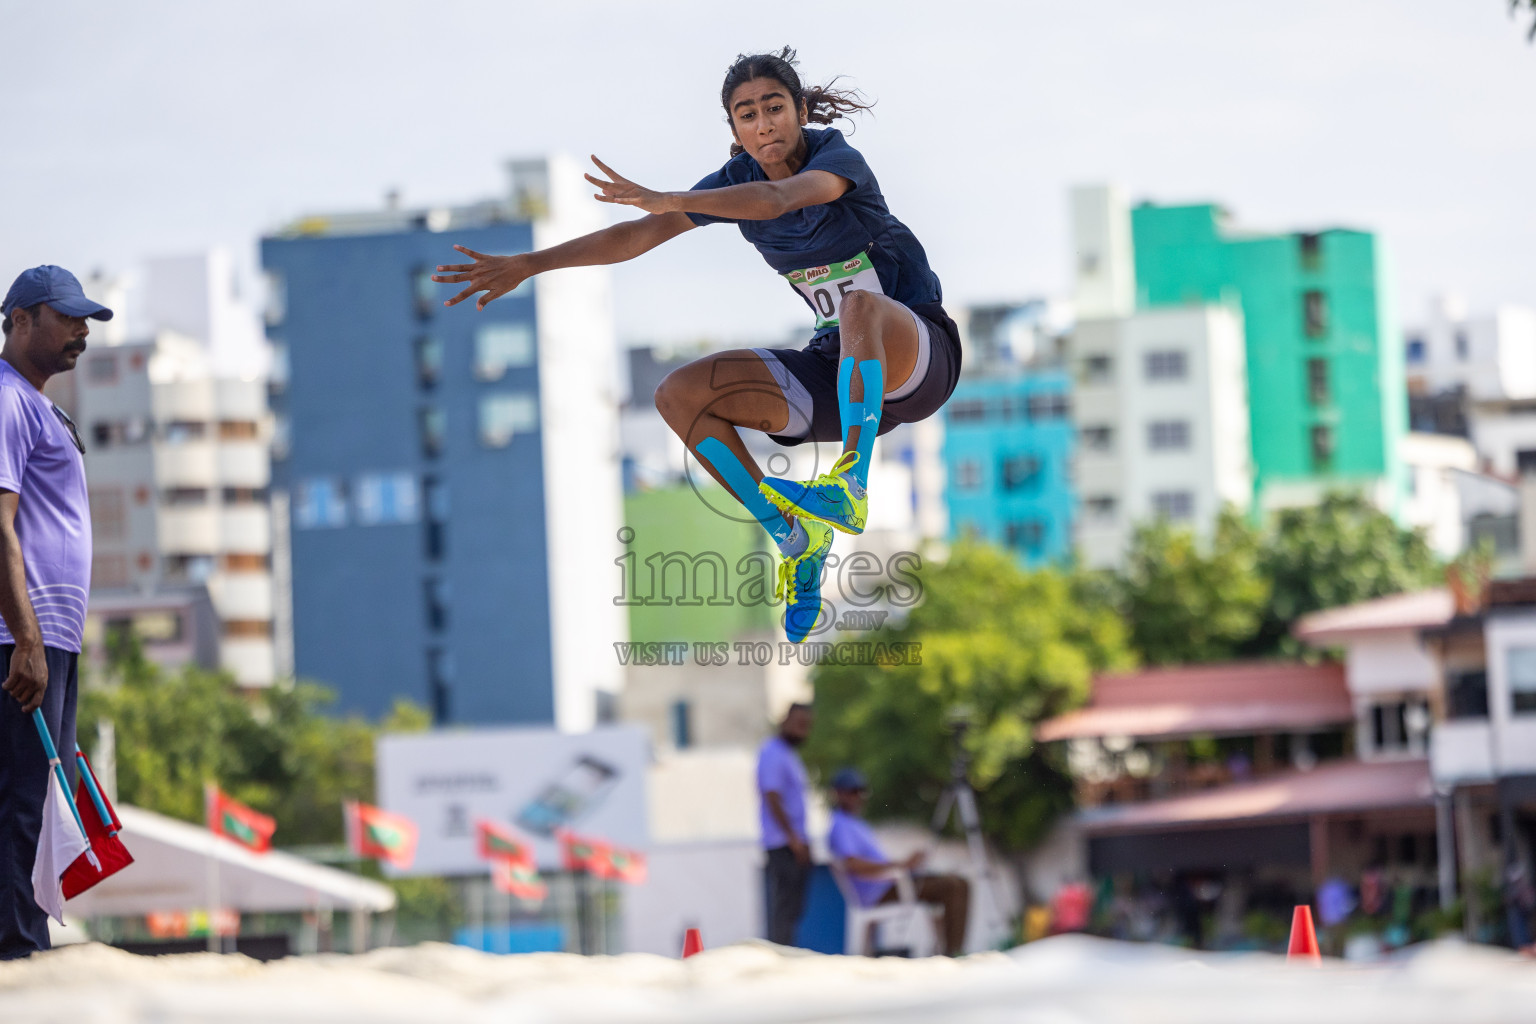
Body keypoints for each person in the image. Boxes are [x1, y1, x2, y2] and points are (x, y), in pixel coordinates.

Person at [432, 47, 962, 644]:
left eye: (775, 108)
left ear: (802, 110)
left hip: (918, 355)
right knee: (679, 395)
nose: (764, 124)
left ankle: (851, 487)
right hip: (840, 370)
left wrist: (673, 198)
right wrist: (530, 262)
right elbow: (634, 235)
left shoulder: (837, 159)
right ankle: (794, 537)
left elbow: (779, 201)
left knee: (859, 305)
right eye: (747, 114)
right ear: (733, 128)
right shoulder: (732, 183)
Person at [0, 266, 112, 959]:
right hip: (20, 637)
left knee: (48, 794)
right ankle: (14, 947)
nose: (81, 332)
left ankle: (26, 934)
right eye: (66, 317)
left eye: (87, 320)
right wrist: (25, 638)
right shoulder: (6, 399)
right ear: (19, 319)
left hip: (51, 636)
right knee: (20, 794)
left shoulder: (39, 405)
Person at [827, 767, 970, 956]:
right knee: (952, 886)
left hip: (894, 881)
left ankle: (950, 951)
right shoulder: (840, 825)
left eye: (861, 791)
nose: (858, 796)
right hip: (881, 891)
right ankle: (953, 955)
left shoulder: (857, 823)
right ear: (837, 793)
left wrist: (906, 866)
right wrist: (900, 865)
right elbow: (852, 864)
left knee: (960, 881)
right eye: (852, 791)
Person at [756, 703, 813, 945]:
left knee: (793, 908)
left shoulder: (789, 755)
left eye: (807, 726)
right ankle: (779, 958)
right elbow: (772, 796)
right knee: (783, 908)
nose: (803, 731)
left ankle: (785, 954)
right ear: (785, 720)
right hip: (783, 844)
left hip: (793, 842)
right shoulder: (772, 753)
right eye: (799, 724)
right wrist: (793, 838)